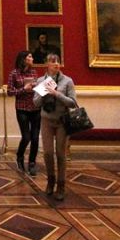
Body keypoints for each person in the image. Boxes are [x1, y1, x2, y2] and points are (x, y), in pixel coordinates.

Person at [33, 54, 76, 201]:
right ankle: (50, 181)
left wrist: (56, 93)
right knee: (48, 153)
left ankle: (61, 185)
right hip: (46, 120)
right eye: (53, 62)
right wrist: (44, 91)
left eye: (58, 61)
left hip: (62, 121)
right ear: (47, 64)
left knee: (60, 153)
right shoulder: (41, 80)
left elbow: (72, 103)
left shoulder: (67, 81)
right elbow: (36, 103)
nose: (56, 64)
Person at [7, 51, 40, 175]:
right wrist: (23, 89)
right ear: (23, 59)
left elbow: (37, 90)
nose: (32, 58)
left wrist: (38, 87)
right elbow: (10, 92)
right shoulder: (14, 74)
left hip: (35, 107)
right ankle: (20, 156)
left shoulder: (34, 72)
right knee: (26, 137)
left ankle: (32, 163)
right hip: (22, 108)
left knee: (35, 137)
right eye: (30, 57)